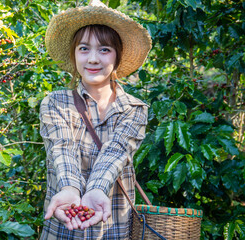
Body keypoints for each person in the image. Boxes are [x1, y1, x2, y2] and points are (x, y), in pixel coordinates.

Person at [39, 0, 152, 239]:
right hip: (63, 229)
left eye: (104, 49)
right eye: (83, 48)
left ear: (117, 57)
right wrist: (70, 189)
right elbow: (62, 149)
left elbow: (115, 151)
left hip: (114, 228)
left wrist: (97, 190)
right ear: (74, 54)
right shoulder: (55, 103)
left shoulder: (134, 109)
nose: (92, 59)